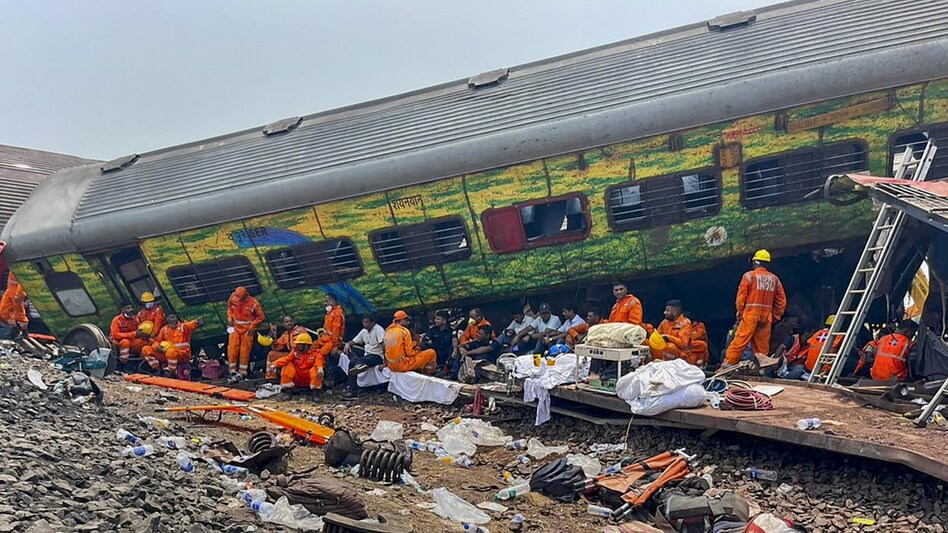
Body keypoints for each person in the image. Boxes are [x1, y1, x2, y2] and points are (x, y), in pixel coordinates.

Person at [724, 249, 787, 369]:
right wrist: (775, 316)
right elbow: (781, 301)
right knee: (761, 346)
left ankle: (726, 367)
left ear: (755, 262)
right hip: (766, 317)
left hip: (750, 315)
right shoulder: (774, 279)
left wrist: (740, 313)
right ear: (767, 263)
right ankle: (760, 370)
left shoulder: (749, 276)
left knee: (739, 342)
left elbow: (741, 298)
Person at [141, 313, 203, 379]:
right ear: (167, 319)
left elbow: (190, 325)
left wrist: (196, 322)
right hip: (167, 354)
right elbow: (157, 341)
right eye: (172, 317)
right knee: (146, 349)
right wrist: (157, 347)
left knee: (171, 352)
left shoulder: (183, 327)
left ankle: (171, 372)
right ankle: (157, 369)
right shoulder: (164, 329)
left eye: (175, 317)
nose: (174, 319)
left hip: (182, 354)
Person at [227, 286, 265, 378]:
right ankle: (232, 370)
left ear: (245, 295)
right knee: (232, 347)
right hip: (235, 327)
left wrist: (252, 326)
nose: (238, 300)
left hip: (247, 329)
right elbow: (230, 309)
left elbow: (260, 317)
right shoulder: (233, 298)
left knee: (245, 349)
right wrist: (230, 317)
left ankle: (242, 371)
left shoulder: (254, 303)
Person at [312, 294, 346, 388]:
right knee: (311, 350)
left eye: (326, 301)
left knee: (320, 355)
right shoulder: (330, 313)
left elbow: (335, 332)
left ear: (332, 300)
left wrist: (335, 346)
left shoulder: (337, 313)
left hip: (330, 342)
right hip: (324, 340)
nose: (325, 303)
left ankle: (323, 377)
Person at [273, 332, 321, 399]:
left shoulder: (315, 353)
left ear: (305, 345)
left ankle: (316, 394)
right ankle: (287, 392)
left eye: (299, 344)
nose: (296, 345)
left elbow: (318, 362)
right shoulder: (295, 352)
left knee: (316, 371)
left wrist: (320, 369)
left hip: (309, 379)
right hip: (297, 379)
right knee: (287, 366)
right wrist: (275, 364)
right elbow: (287, 359)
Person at [422, 310, 458, 377]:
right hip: (436, 353)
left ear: (444, 321)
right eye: (435, 319)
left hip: (446, 353)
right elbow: (426, 338)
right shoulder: (433, 329)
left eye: (438, 319)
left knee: (453, 349)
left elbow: (454, 340)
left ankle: (451, 373)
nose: (435, 320)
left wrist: (455, 350)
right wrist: (427, 341)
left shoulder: (451, 330)